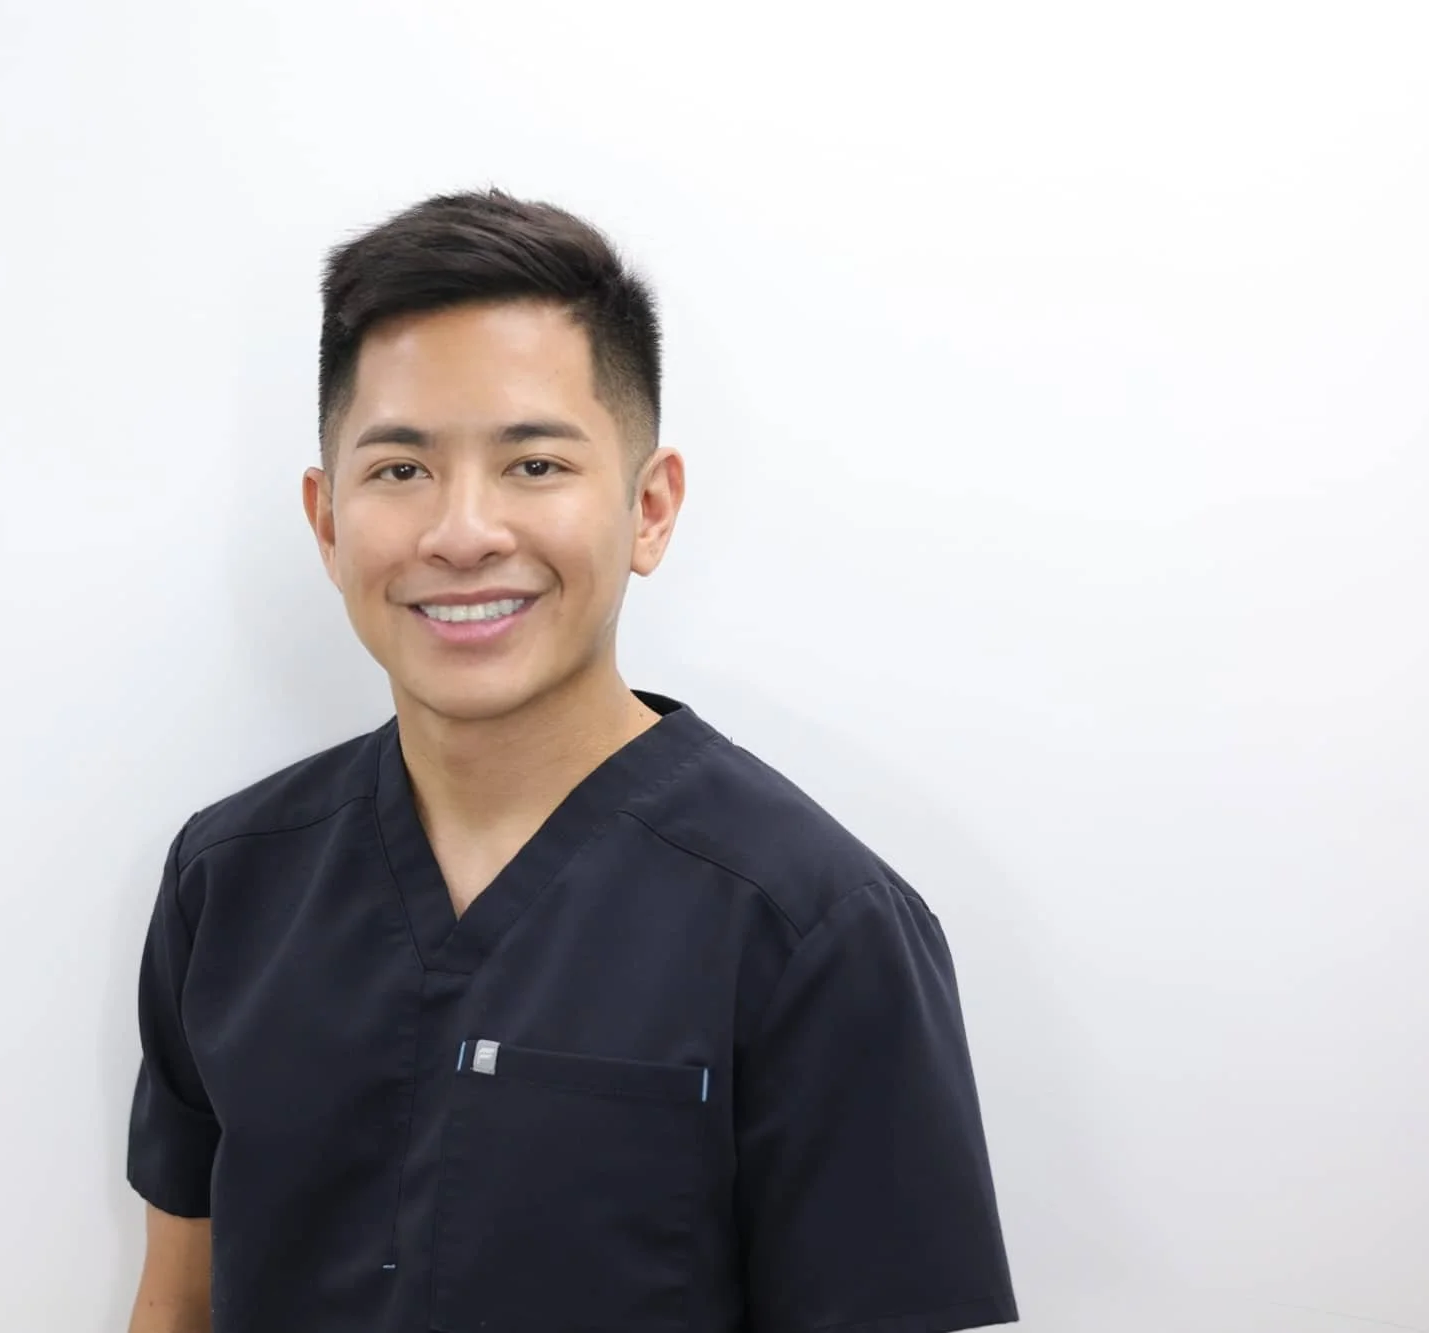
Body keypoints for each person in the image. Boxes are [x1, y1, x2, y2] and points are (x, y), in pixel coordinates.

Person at [122, 188, 1018, 1333]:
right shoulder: (227, 880)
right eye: (399, 470)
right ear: (326, 520)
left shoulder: (812, 927)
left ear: (648, 509)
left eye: (533, 465)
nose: (460, 531)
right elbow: (179, 1299)